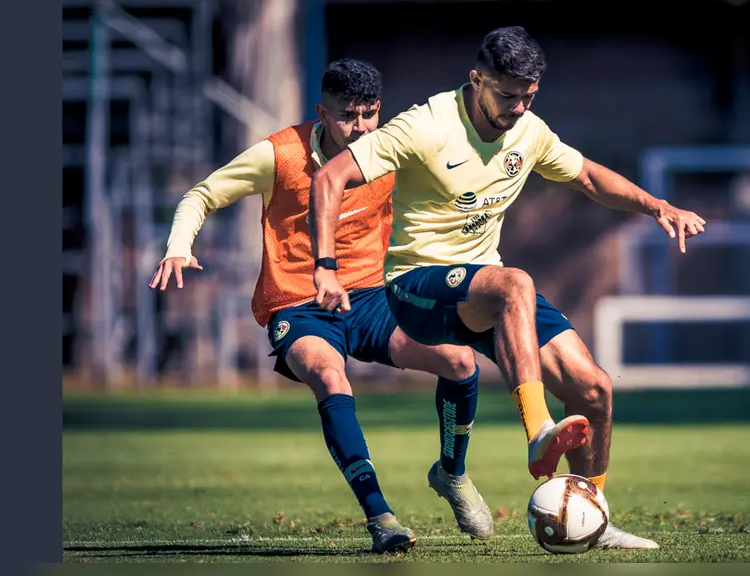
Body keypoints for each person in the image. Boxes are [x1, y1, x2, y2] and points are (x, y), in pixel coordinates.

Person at [309, 27, 707, 550]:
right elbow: (328, 178)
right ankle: (538, 427)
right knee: (514, 282)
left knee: (594, 390)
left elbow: (587, 176)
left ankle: (591, 516)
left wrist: (659, 206)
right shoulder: (424, 126)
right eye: (507, 94)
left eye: (529, 96)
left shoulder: (530, 132)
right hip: (416, 289)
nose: (518, 107)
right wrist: (325, 267)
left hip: (486, 293)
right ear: (477, 81)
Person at [148, 58, 494, 553]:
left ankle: (452, 473)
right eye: (348, 116)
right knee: (332, 378)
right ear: (322, 112)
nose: (361, 128)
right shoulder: (281, 154)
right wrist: (179, 246)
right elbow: (200, 195)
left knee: (460, 361)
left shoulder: (390, 150)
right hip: (297, 305)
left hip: (371, 297)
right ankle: (382, 519)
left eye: (371, 114)